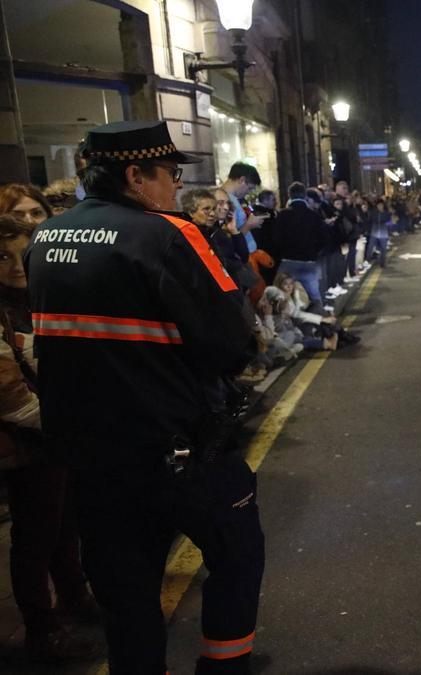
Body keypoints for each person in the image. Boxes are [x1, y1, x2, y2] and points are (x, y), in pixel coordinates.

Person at [23, 120, 264, 674]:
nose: (177, 188)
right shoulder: (169, 234)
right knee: (237, 555)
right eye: (171, 175)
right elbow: (232, 342)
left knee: (126, 595)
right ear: (135, 175)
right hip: (177, 451)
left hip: (91, 459)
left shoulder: (46, 237)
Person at [0, 213, 101, 663]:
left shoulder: (39, 299)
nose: (17, 265)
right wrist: (70, 424)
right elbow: (9, 394)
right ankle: (41, 630)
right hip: (24, 442)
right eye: (2, 257)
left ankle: (74, 597)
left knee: (64, 525)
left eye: (25, 254)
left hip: (53, 433)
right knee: (35, 537)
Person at [274, 182, 330, 310]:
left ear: (290, 195)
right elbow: (324, 239)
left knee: (281, 297)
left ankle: (289, 326)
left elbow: (276, 239)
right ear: (305, 195)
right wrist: (314, 252)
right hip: (309, 261)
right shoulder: (314, 215)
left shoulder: (282, 215)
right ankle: (319, 325)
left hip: (288, 262)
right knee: (314, 297)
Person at [219, 163, 266, 254]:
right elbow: (228, 238)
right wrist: (249, 225)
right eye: (249, 188)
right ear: (242, 180)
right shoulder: (223, 199)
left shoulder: (233, 198)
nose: (248, 193)